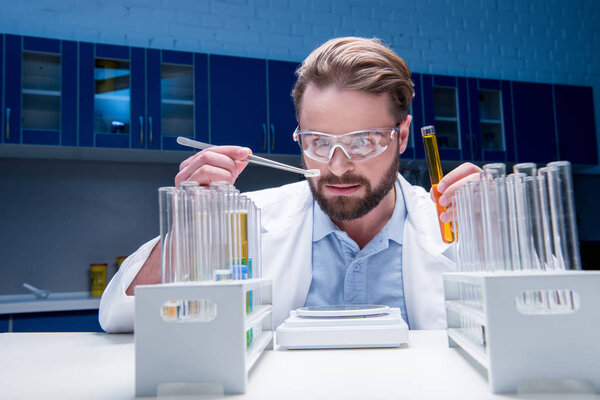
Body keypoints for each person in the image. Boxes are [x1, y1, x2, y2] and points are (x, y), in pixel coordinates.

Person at [99, 37, 480, 333]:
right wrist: (188, 231)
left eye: (363, 141)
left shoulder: (454, 224)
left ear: (402, 136)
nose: (338, 166)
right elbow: (120, 315)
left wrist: (491, 231)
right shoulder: (248, 222)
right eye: (318, 141)